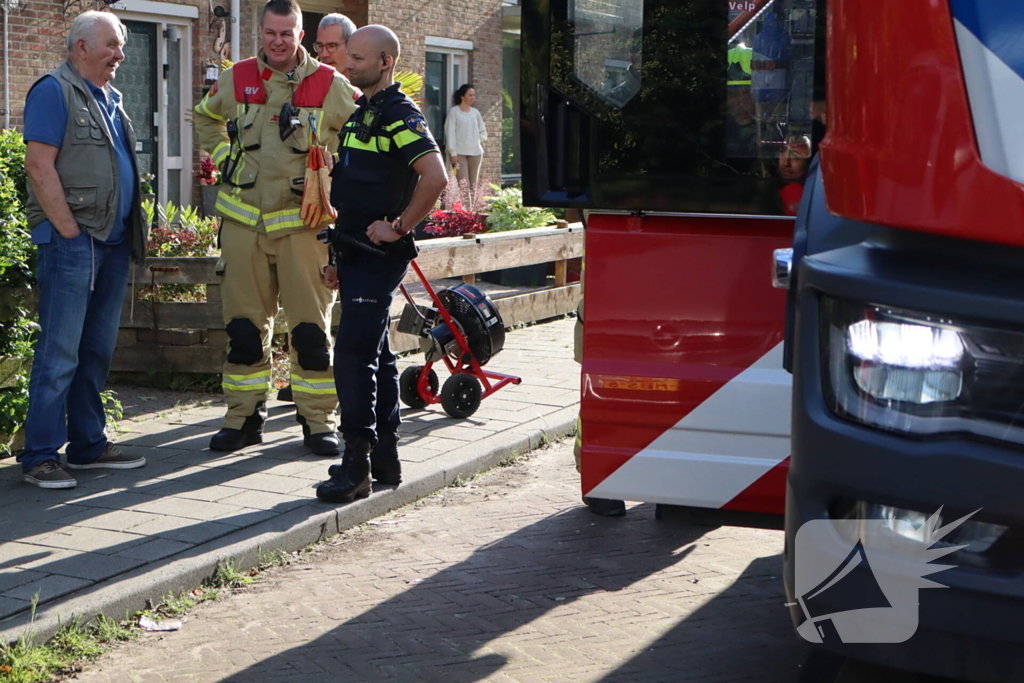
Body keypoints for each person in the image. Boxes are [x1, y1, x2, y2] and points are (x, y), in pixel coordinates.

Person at [194, 0, 358, 456]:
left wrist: (333, 173)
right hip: (244, 224)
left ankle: (318, 423)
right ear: (261, 32)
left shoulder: (330, 84)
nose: (278, 41)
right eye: (271, 33)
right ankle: (242, 419)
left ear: (300, 35)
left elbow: (362, 133)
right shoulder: (239, 77)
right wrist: (224, 158)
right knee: (244, 330)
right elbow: (205, 117)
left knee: (309, 333)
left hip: (305, 229)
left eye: (287, 33)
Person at [316, 25, 447, 504]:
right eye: (346, 56)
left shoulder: (396, 112)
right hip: (353, 253)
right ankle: (384, 457)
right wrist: (336, 257)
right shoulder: (362, 112)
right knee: (380, 354)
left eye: (356, 58)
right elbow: (352, 192)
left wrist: (400, 225)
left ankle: (355, 466)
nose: (346, 64)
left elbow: (435, 176)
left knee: (352, 354)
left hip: (376, 256)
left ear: (385, 62)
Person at [18, 10, 149, 489]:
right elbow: (38, 165)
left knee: (95, 351)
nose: (120, 54)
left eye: (120, 46)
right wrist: (70, 232)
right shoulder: (53, 92)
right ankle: (39, 456)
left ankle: (89, 445)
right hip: (76, 243)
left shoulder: (111, 98)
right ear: (81, 49)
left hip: (111, 243)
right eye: (112, 45)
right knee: (59, 353)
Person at [444, 83, 487, 202]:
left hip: (476, 153)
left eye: (474, 95)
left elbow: (483, 131)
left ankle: (473, 212)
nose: (473, 98)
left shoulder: (475, 113)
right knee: (464, 184)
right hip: (459, 154)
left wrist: (476, 139)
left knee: (474, 185)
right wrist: (453, 153)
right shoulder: (454, 112)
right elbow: (450, 133)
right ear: (462, 96)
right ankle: (465, 213)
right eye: (470, 95)